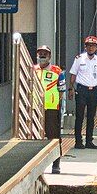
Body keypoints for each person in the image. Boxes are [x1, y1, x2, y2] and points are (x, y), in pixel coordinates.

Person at [69, 35, 97, 149]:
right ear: (85, 47)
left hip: (93, 91)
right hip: (81, 90)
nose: (90, 48)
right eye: (88, 45)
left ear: (96, 48)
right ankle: (78, 141)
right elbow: (73, 74)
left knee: (91, 117)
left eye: (93, 46)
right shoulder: (79, 59)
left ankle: (89, 141)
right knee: (79, 116)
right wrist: (71, 88)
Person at [36, 45, 65, 173]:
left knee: (53, 136)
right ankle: (37, 164)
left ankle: (56, 164)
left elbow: (61, 90)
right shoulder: (32, 70)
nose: (42, 56)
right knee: (36, 137)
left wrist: (55, 101)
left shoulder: (57, 71)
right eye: (40, 53)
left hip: (52, 108)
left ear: (50, 56)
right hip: (35, 108)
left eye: (45, 54)